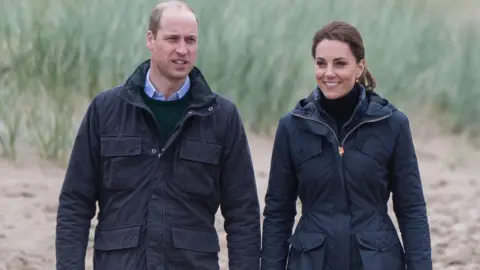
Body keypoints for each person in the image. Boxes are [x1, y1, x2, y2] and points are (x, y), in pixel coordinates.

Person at [55, 1, 261, 269]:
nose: (182, 49)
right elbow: (75, 202)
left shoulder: (222, 116)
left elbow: (243, 214)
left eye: (191, 40)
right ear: (150, 39)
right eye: (172, 38)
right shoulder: (106, 110)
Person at [260, 21, 432, 270]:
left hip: (377, 261)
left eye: (339, 63)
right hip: (311, 261)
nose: (328, 73)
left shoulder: (392, 124)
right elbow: (278, 213)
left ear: (359, 66)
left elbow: (411, 208)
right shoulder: (292, 127)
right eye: (321, 63)